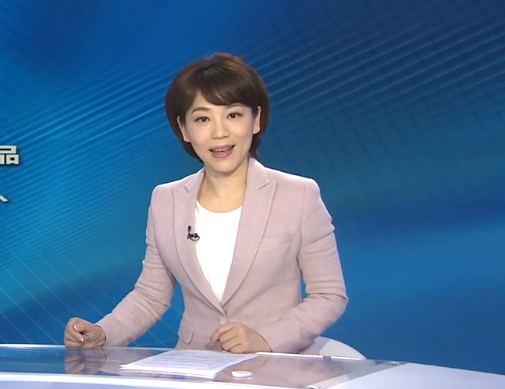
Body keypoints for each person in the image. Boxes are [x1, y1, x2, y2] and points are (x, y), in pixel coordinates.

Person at [63, 53, 348, 354]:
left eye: (233, 115)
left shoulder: (298, 195)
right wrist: (103, 333)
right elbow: (150, 295)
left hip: (276, 367)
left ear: (256, 120)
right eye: (202, 119)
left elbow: (328, 295)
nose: (219, 132)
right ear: (184, 129)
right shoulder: (166, 200)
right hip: (194, 366)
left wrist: (266, 339)